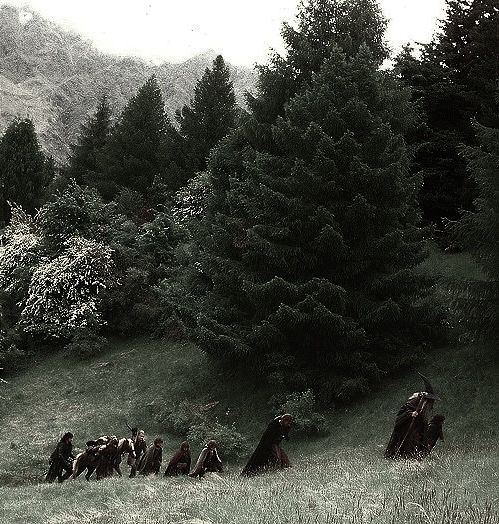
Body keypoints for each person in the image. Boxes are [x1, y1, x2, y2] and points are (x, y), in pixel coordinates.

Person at [384, 373, 440, 459]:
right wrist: (410, 414)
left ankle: (415, 458)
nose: (430, 404)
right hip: (405, 432)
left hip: (415, 432)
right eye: (429, 401)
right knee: (408, 448)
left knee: (417, 443)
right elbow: (399, 418)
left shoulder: (423, 407)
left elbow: (422, 420)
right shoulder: (411, 403)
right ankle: (404, 460)